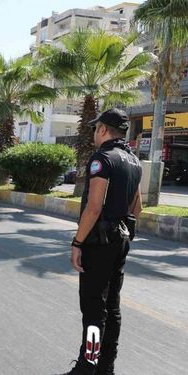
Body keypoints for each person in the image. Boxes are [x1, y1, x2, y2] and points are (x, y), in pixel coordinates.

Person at [60, 108, 142, 375]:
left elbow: (93, 208)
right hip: (121, 240)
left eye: (96, 129)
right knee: (112, 306)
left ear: (104, 130)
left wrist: (77, 243)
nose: (94, 133)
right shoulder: (133, 161)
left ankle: (87, 367)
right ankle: (106, 367)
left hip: (99, 243)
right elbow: (136, 207)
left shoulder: (103, 159)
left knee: (94, 308)